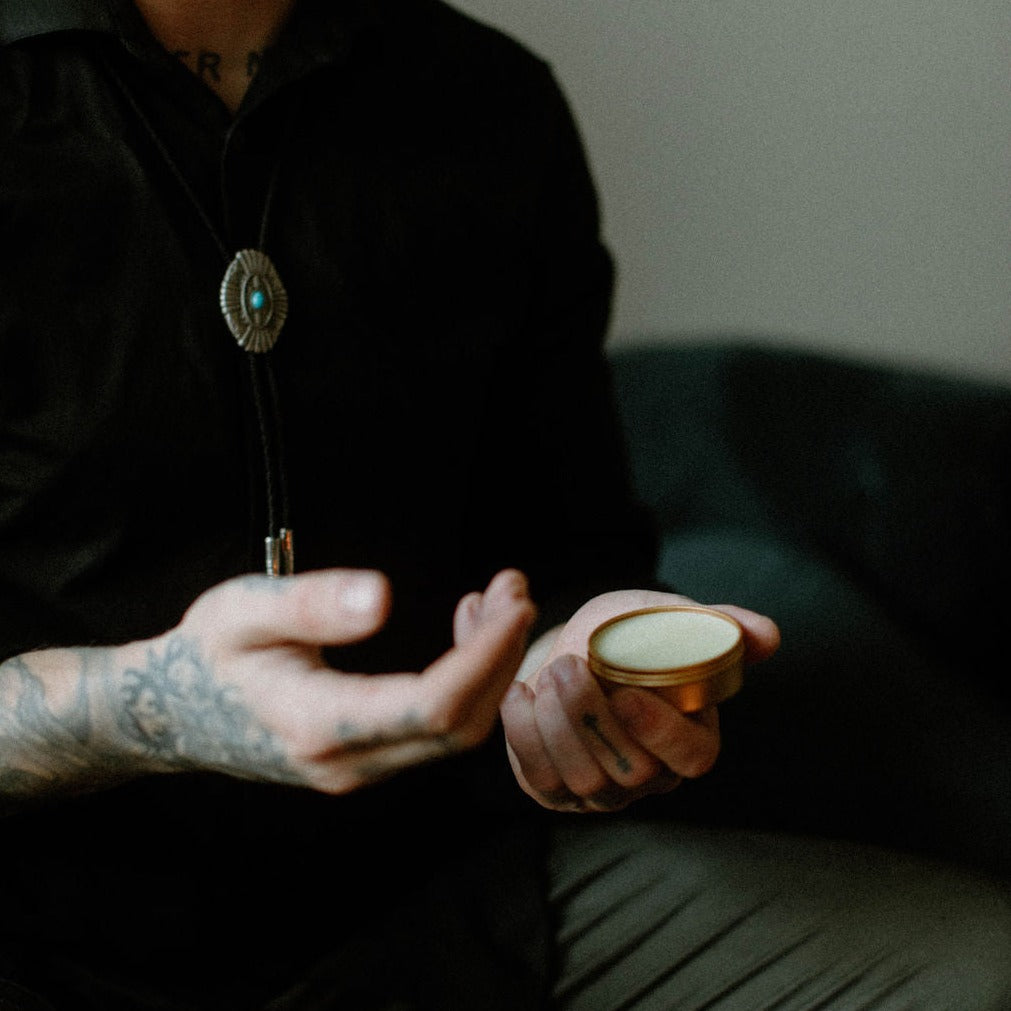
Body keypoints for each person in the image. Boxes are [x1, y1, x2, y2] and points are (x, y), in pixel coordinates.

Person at [1, 2, 1008, 1009]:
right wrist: (150, 708)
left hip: (453, 900)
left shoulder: (485, 97)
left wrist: (578, 671)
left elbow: (571, 548)